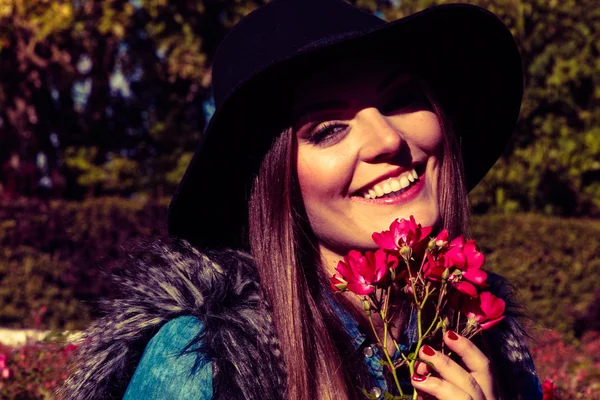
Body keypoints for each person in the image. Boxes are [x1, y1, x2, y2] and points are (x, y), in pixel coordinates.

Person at [60, 0, 543, 399]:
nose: (386, 140)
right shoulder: (204, 360)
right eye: (328, 129)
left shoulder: (497, 346)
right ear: (277, 186)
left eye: (399, 100)